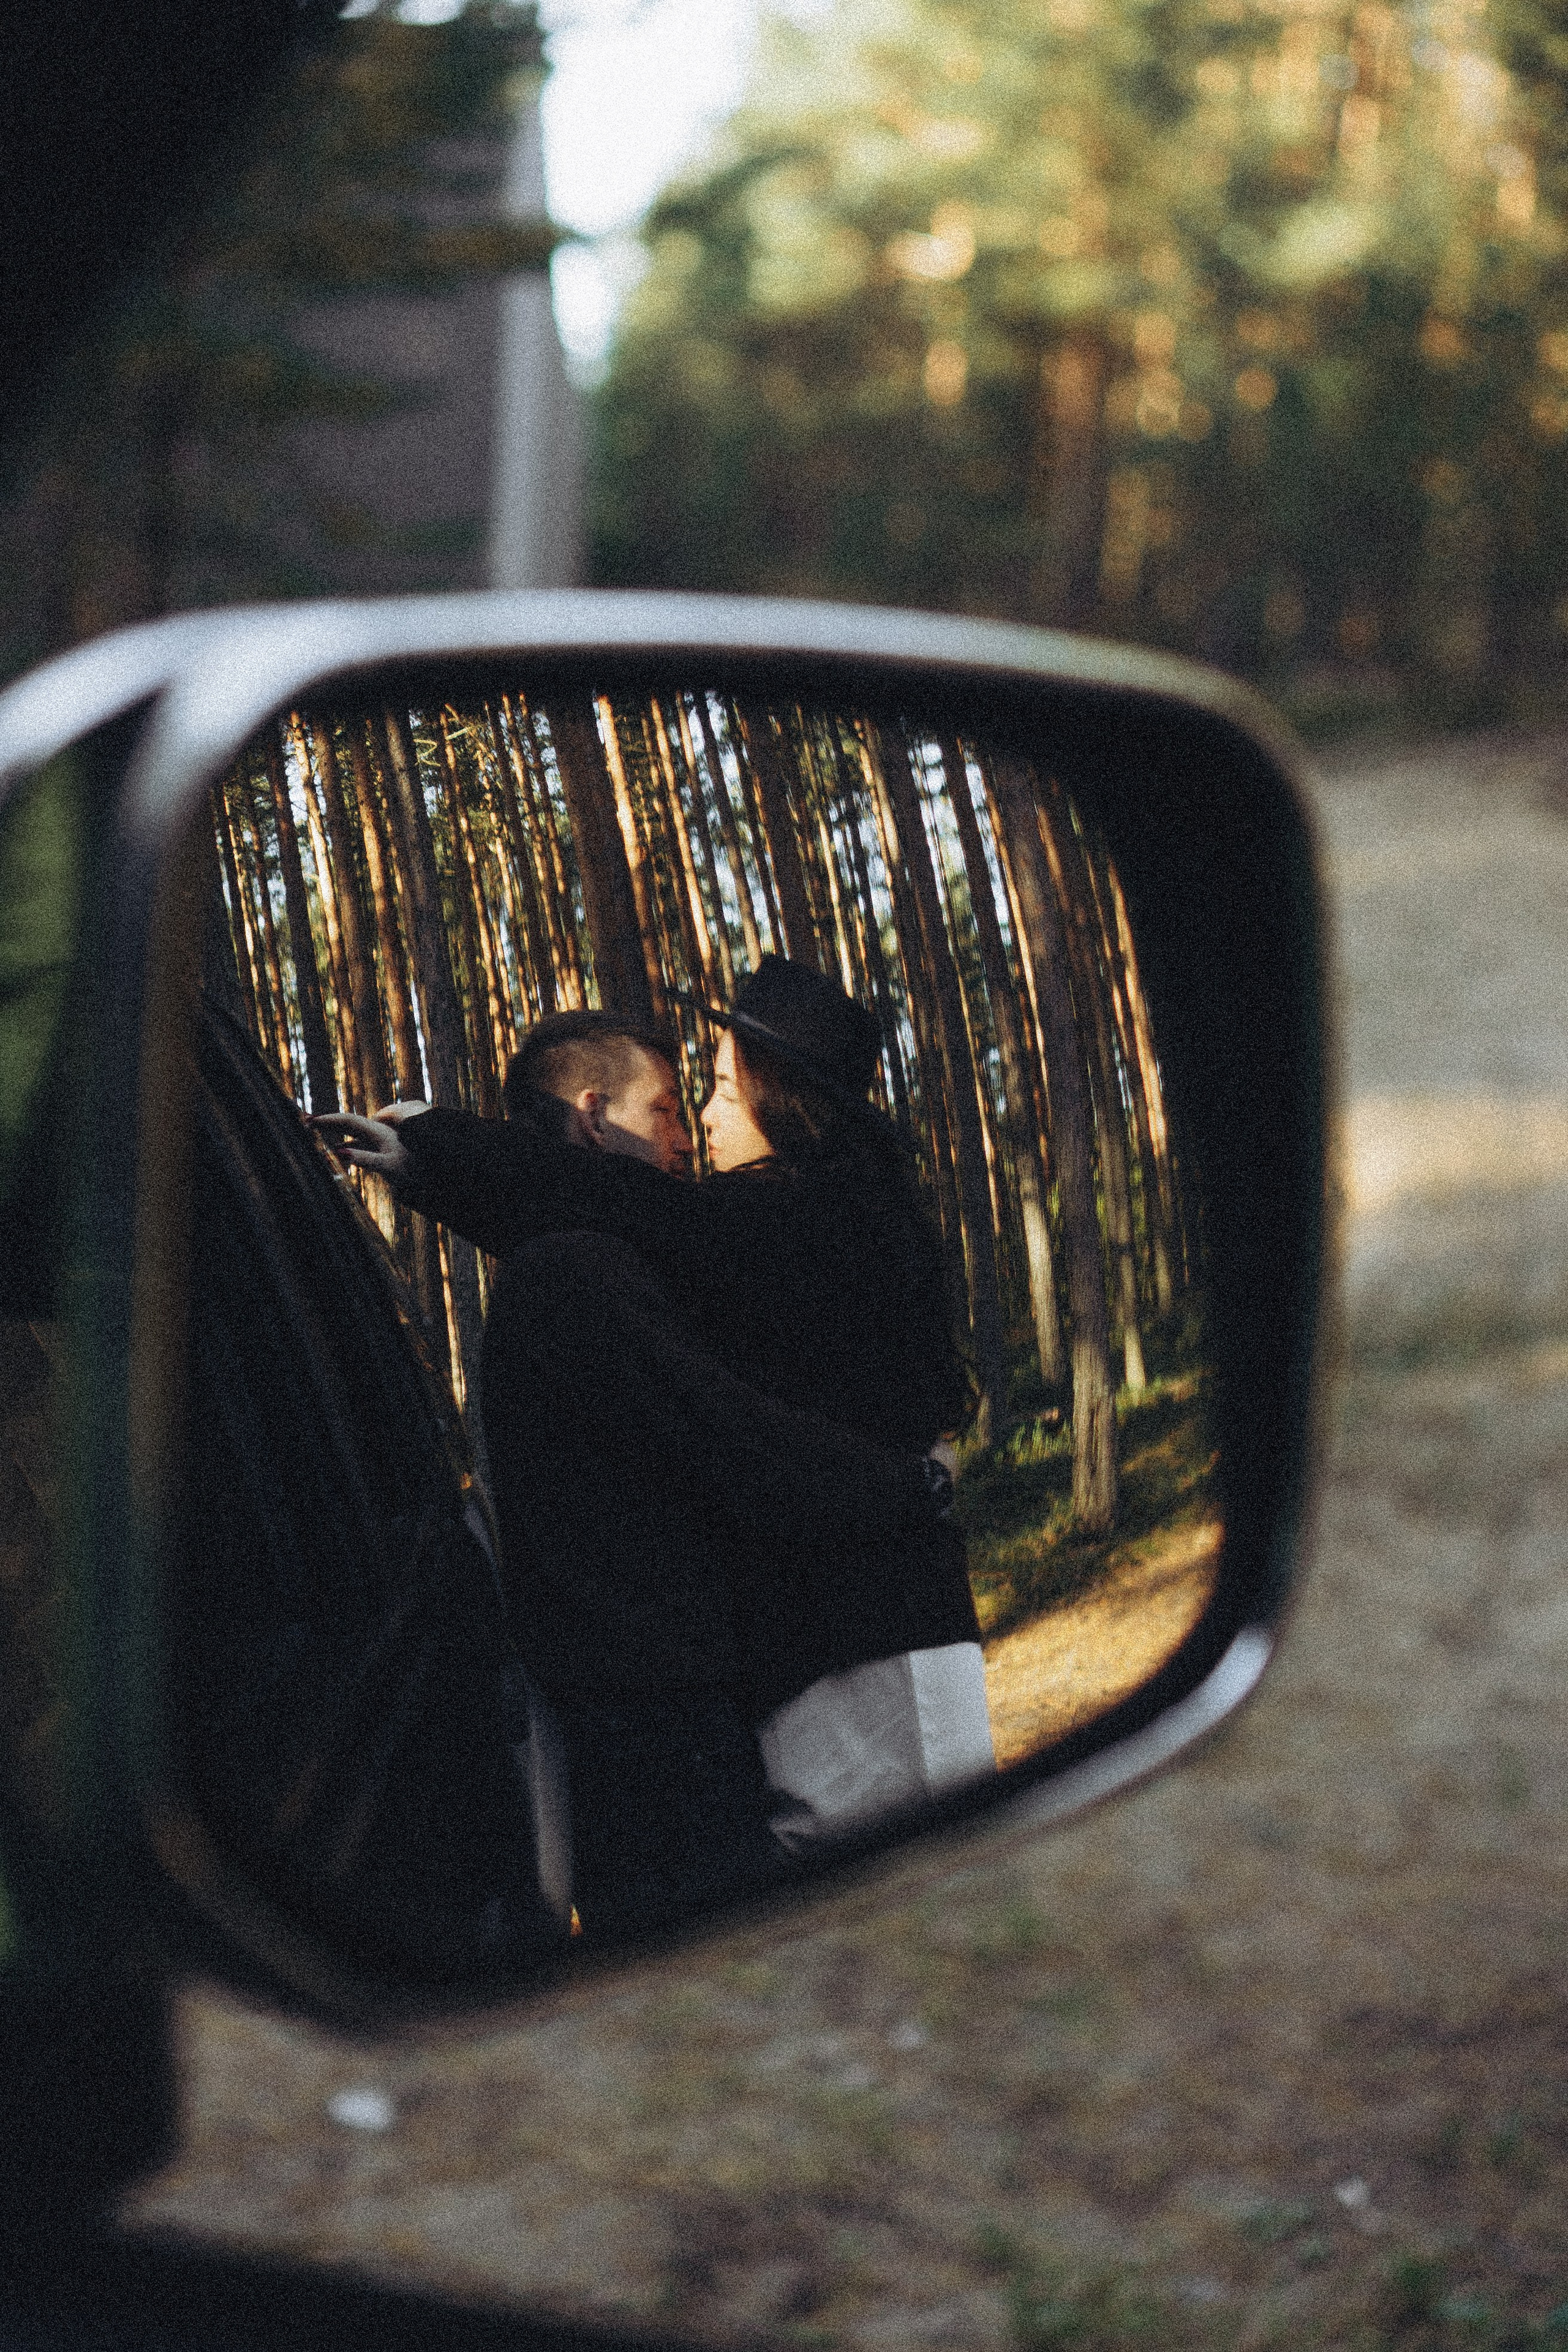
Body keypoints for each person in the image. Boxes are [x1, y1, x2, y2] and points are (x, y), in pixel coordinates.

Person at [317, 998, 971, 1938]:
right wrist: (915, 1488)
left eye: (710, 1093)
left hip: (826, 1654)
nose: (694, 1128)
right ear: (592, 1114)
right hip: (680, 1715)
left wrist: (434, 1148)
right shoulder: (586, 1270)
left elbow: (634, 1222)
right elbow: (730, 1433)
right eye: (674, 1103)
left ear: (784, 1102)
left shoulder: (797, 1214)